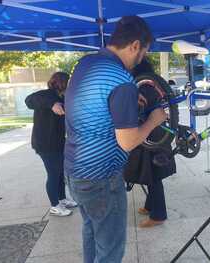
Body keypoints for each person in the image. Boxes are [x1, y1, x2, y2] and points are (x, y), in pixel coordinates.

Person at [64, 16, 167, 263]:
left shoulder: (85, 64)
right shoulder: (121, 79)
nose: (141, 58)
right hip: (101, 178)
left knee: (91, 232)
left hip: (74, 171)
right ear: (134, 46)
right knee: (110, 250)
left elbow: (92, 105)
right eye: (143, 52)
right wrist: (153, 120)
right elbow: (128, 141)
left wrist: (128, 104)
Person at [126, 58, 176, 228]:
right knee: (151, 173)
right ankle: (149, 206)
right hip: (156, 133)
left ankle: (158, 215)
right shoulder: (153, 83)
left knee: (153, 175)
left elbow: (140, 109)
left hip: (151, 135)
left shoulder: (144, 86)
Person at [25, 72, 77, 217]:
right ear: (63, 83)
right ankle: (54, 205)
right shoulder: (46, 95)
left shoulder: (64, 98)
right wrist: (52, 104)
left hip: (58, 143)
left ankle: (62, 199)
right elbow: (29, 100)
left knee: (60, 172)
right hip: (45, 145)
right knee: (53, 174)